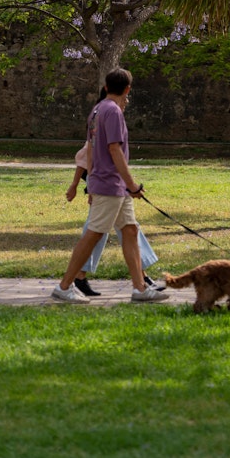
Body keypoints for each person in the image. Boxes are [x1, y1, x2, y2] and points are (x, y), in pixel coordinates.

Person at [52, 67, 166, 304]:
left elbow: (91, 148)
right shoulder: (113, 111)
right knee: (93, 234)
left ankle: (140, 289)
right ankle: (64, 287)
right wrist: (132, 184)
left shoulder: (97, 109)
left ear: (106, 87)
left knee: (130, 230)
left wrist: (91, 181)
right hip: (111, 185)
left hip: (110, 185)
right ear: (127, 89)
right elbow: (114, 150)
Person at [66, 138, 164, 297]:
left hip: (114, 182)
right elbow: (85, 156)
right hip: (105, 184)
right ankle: (70, 281)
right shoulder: (106, 117)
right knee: (99, 230)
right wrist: (78, 186)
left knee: (129, 229)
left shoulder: (108, 118)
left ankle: (141, 279)